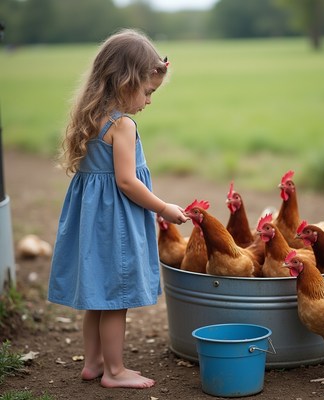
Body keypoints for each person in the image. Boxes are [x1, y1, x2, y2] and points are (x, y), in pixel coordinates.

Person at [48, 28, 188, 389]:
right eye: (147, 92)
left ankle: (92, 363)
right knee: (115, 300)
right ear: (126, 81)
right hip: (116, 224)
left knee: (98, 295)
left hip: (93, 221)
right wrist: (164, 208)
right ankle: (114, 370)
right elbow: (126, 182)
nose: (148, 101)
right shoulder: (122, 124)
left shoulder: (91, 116)